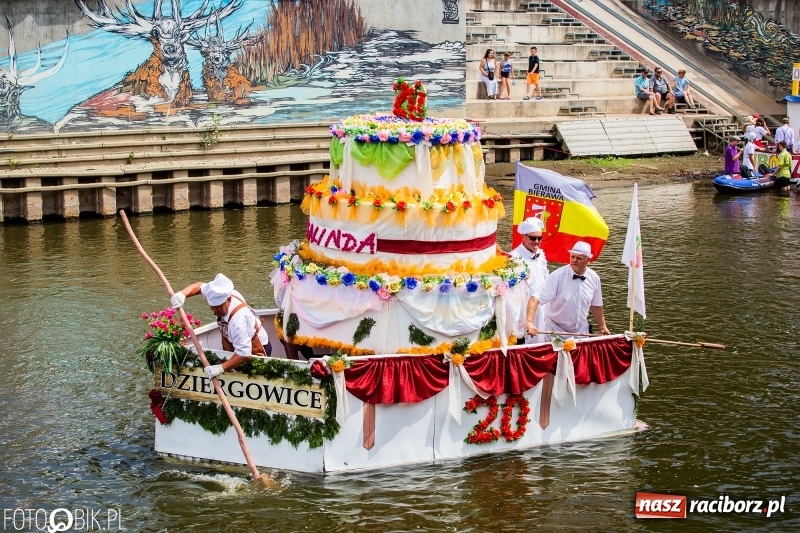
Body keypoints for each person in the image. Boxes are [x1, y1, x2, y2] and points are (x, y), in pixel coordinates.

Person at [171, 273, 272, 379]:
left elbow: (244, 353)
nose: (214, 311)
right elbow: (199, 286)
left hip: (255, 349)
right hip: (234, 346)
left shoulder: (238, 321)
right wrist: (182, 294)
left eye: (218, 307)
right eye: (212, 307)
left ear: (228, 300)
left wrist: (220, 368)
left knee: (253, 379)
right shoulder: (216, 293)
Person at [525, 241, 610, 338]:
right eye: (572, 256)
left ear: (588, 260)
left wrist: (602, 326)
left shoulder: (594, 278)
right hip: (556, 331)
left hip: (581, 332)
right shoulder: (558, 276)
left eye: (579, 258)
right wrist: (530, 322)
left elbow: (596, 305)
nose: (574, 260)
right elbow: (534, 298)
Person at [511, 217, 549, 344]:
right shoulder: (514, 257)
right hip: (524, 304)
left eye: (539, 238)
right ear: (523, 237)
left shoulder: (541, 254)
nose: (536, 241)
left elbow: (545, 278)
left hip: (541, 303)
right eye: (533, 238)